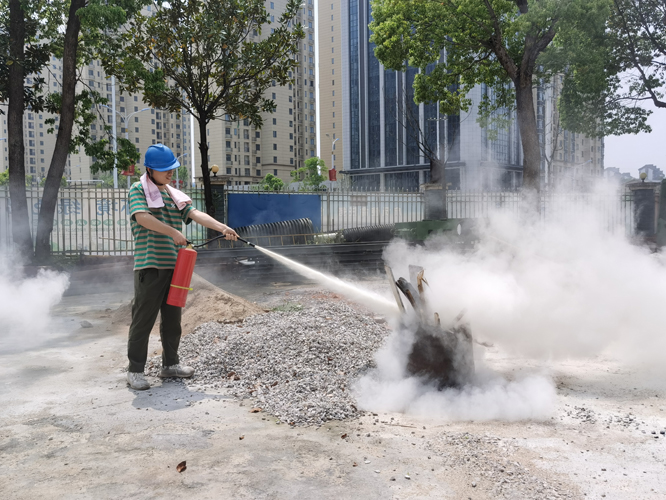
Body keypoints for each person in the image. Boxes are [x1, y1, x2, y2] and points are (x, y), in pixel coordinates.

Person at [126, 143, 238, 390]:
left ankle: (170, 364)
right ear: (149, 169)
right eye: (164, 169)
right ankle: (135, 370)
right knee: (143, 320)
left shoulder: (173, 195)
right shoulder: (138, 190)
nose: (170, 173)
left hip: (176, 268)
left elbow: (195, 214)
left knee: (173, 320)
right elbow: (143, 218)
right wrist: (173, 232)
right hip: (150, 267)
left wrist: (223, 227)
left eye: (172, 168)